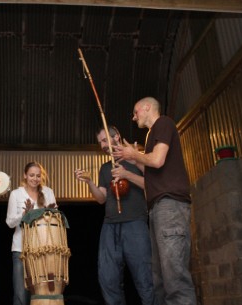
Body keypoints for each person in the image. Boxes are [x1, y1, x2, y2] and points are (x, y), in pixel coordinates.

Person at [113, 97, 196, 305]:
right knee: (160, 279)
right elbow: (152, 173)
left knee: (175, 278)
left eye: (135, 112)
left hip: (170, 206)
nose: (134, 117)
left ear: (147, 107)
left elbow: (157, 160)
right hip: (158, 208)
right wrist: (134, 160)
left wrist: (136, 153)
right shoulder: (152, 135)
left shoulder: (163, 123)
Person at [74, 126, 154, 305]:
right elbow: (101, 199)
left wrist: (126, 174)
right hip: (110, 225)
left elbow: (152, 185)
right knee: (107, 277)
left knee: (144, 276)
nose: (102, 145)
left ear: (116, 136)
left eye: (104, 140)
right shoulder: (105, 168)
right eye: (100, 142)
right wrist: (89, 181)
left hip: (135, 223)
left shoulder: (136, 158)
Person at [6, 162, 57, 305]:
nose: (35, 178)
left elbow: (55, 220)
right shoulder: (16, 194)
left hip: (43, 250)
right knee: (20, 295)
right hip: (21, 250)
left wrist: (52, 213)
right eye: (31, 175)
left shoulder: (48, 192)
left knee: (41, 294)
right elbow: (9, 222)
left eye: (38, 176)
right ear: (25, 176)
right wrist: (24, 214)